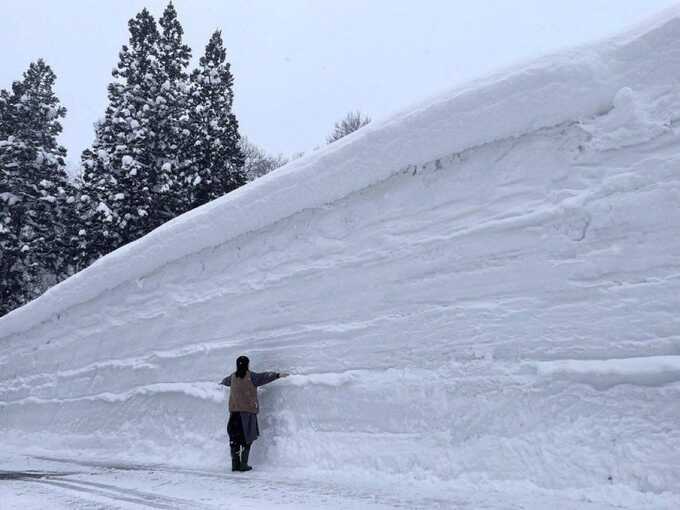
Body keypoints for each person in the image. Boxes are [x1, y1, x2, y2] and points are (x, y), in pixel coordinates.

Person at [219, 355, 288, 472]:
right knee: (247, 439)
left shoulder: (232, 377)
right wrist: (278, 375)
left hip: (234, 414)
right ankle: (243, 465)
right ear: (247, 364)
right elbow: (264, 377)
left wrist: (220, 383)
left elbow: (224, 382)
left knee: (234, 440)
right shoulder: (251, 377)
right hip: (247, 414)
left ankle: (235, 464)